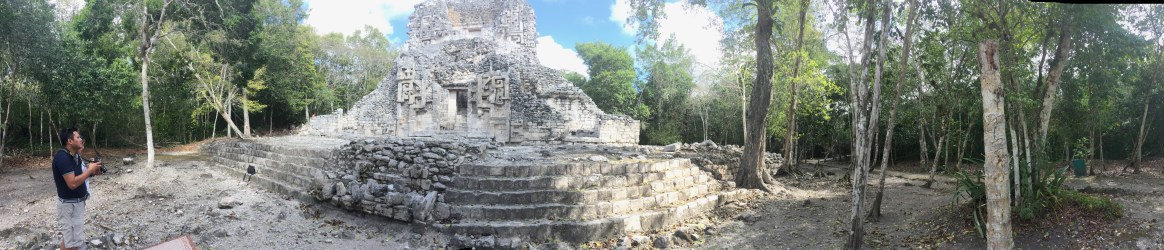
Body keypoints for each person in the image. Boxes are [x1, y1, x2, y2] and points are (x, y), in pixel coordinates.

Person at [52, 128, 103, 250]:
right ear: (70, 141)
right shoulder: (62, 158)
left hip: (77, 203)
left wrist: (92, 172)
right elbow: (72, 184)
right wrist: (90, 170)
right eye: (78, 137)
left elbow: (79, 176)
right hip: (69, 206)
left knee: (71, 239)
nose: (81, 140)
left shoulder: (75, 156)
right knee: (72, 242)